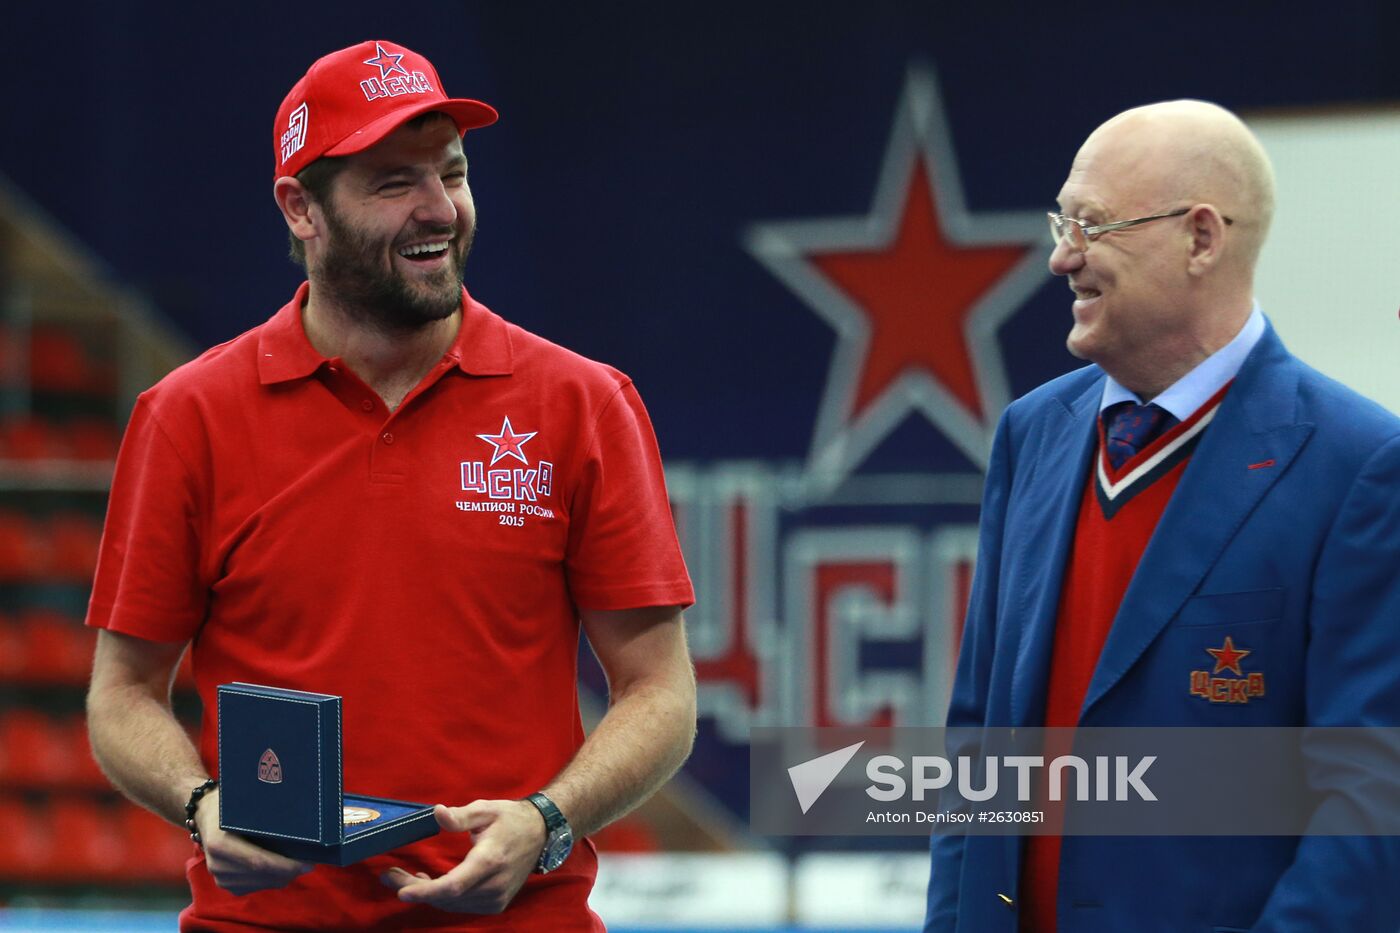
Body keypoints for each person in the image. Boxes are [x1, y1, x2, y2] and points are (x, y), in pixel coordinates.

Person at [85, 40, 696, 932]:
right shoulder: (188, 416)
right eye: (394, 182)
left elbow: (662, 692)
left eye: (452, 172)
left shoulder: (583, 403)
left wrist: (547, 821)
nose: (440, 209)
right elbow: (122, 693)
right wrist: (202, 803)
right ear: (302, 208)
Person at [924, 100, 1400, 932]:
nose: (1060, 256)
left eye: (1091, 225)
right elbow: (980, 747)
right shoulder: (1032, 434)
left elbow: (1371, 797)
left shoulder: (1360, 462)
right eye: (1061, 221)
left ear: (1203, 238)